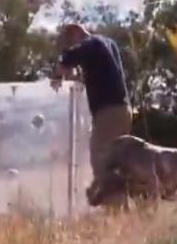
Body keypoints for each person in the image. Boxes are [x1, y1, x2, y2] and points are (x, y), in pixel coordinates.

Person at [51, 24, 134, 184]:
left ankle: (112, 204)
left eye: (70, 41)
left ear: (76, 33)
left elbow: (67, 59)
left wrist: (57, 75)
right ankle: (121, 205)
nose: (70, 45)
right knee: (118, 161)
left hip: (108, 111)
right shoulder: (108, 43)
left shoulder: (91, 43)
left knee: (100, 156)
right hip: (123, 110)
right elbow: (98, 76)